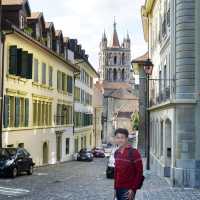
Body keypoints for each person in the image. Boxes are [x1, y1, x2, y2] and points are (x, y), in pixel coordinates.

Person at [113, 128, 143, 200]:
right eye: (118, 137)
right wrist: (115, 189)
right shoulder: (116, 153)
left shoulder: (134, 153)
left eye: (122, 137)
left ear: (126, 139)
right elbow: (116, 173)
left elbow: (139, 173)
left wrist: (133, 189)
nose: (120, 140)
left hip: (128, 190)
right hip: (118, 189)